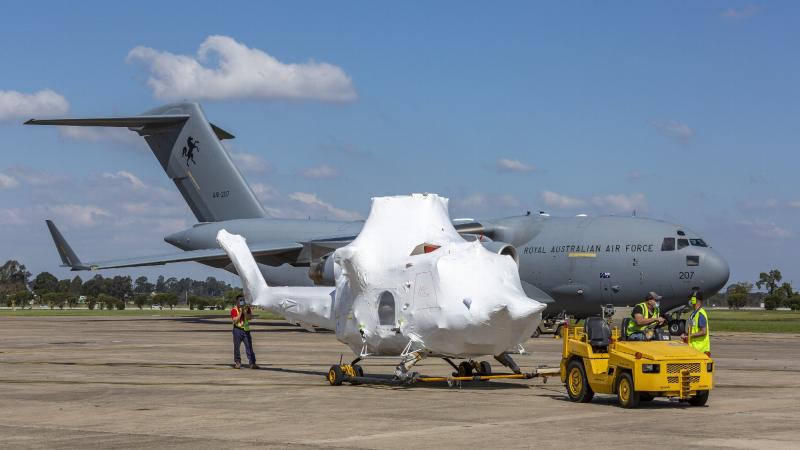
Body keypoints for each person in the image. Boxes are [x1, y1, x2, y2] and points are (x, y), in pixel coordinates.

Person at [231, 295, 259, 369]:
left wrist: (245, 312)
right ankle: (238, 362)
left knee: (249, 347)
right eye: (240, 300)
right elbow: (235, 320)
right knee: (237, 347)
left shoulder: (247, 308)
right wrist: (240, 313)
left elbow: (249, 318)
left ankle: (252, 363)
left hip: (246, 330)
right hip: (237, 330)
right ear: (236, 301)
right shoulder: (234, 310)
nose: (241, 302)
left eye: (242, 300)